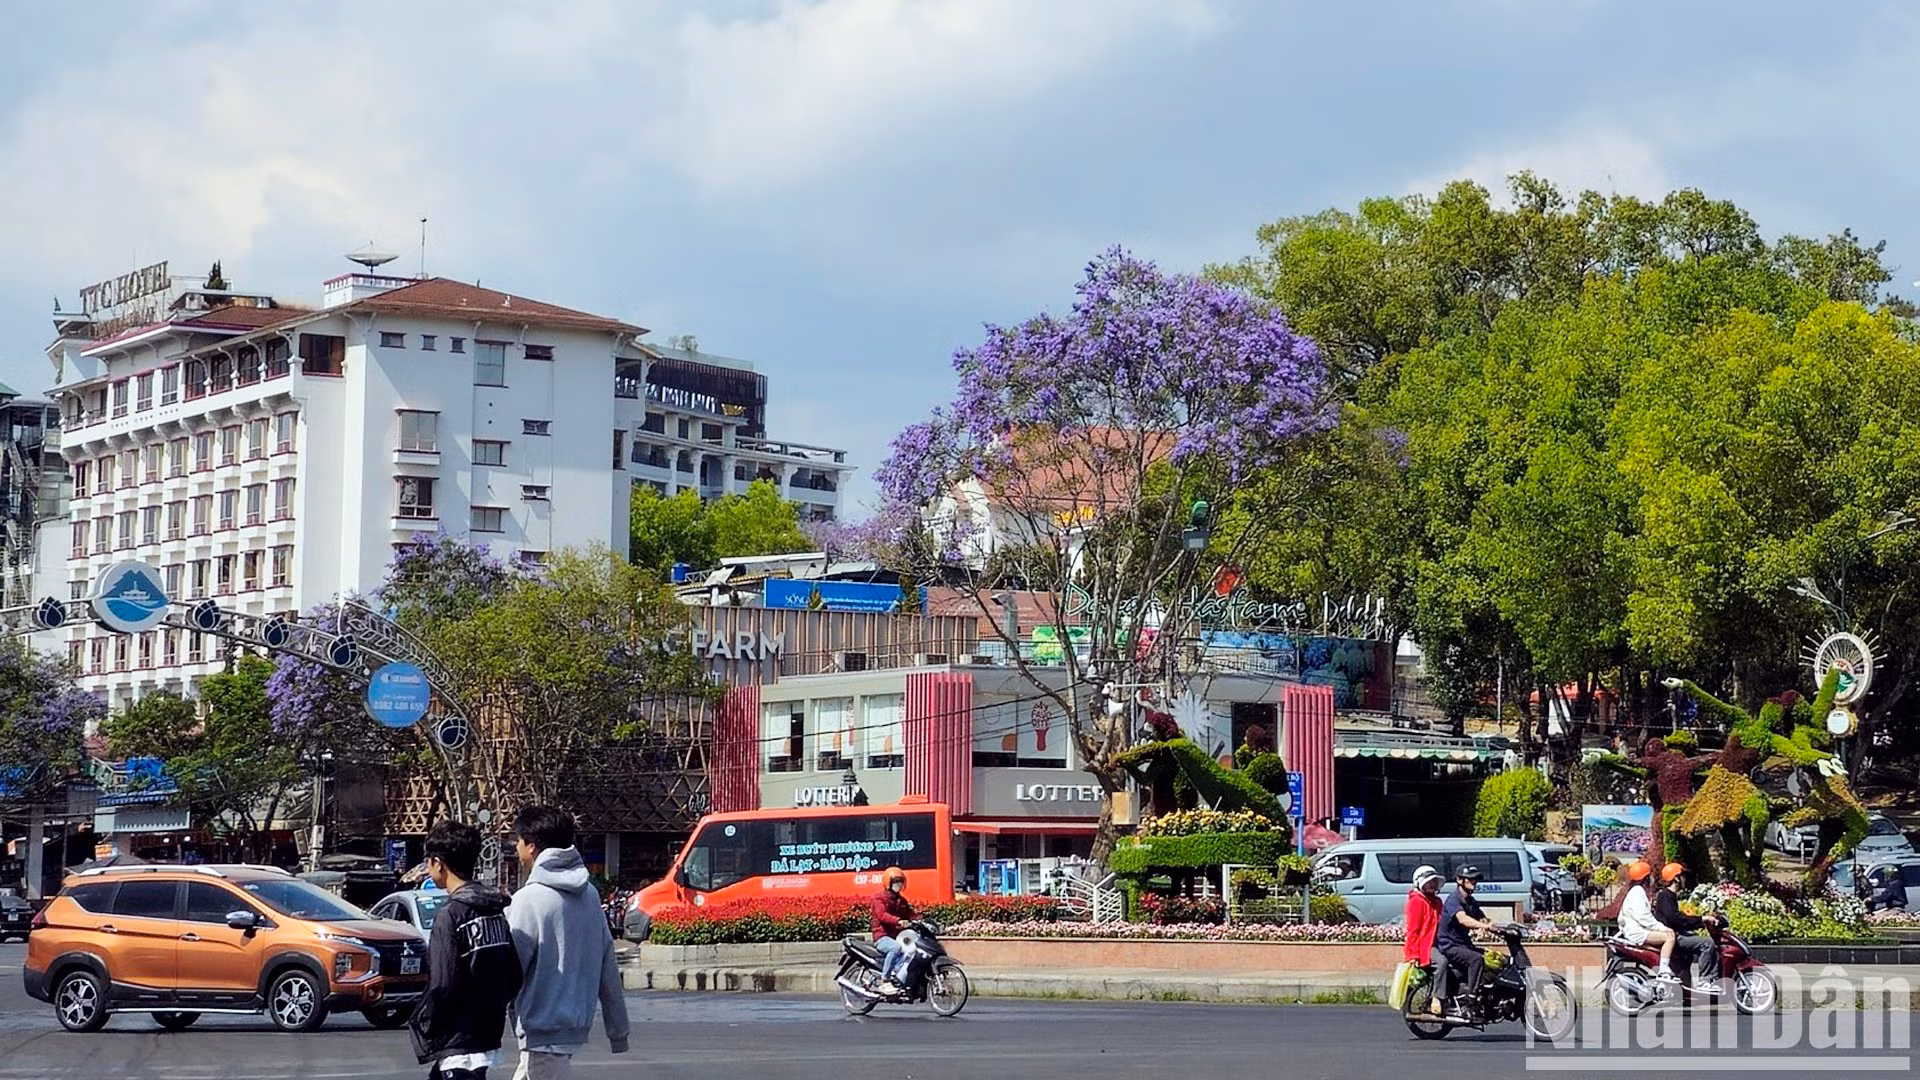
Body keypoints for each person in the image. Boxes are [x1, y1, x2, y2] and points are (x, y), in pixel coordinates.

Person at [505, 806, 630, 1080]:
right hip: (570, 1027)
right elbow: (607, 962)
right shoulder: (590, 895)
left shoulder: (529, 899)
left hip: (541, 1030)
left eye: (518, 840)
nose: (516, 847)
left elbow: (510, 970)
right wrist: (618, 1031)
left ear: (532, 845)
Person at [410, 820, 523, 1080]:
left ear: (438, 863)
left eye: (428, 861)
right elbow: (514, 975)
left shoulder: (450, 915)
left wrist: (424, 1018)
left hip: (456, 1039)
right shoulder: (495, 910)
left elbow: (442, 982)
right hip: (486, 1033)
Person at [1650, 863, 1721, 994]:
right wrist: (1701, 919)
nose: (1685, 879)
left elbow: (1678, 918)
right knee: (1707, 943)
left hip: (1676, 934)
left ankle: (1687, 987)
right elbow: (1675, 919)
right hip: (1672, 936)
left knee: (1696, 939)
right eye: (1683, 876)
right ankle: (1706, 981)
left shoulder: (1669, 896)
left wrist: (1698, 921)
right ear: (1676, 878)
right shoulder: (1665, 896)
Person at [1435, 865, 1495, 1015]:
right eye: (1470, 879)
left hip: (1463, 944)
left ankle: (1484, 995)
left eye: (1475, 879)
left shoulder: (1470, 901)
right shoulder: (1453, 899)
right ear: (1459, 880)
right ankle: (1471, 999)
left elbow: (1482, 917)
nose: (1474, 882)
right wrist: (1483, 926)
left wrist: (1494, 926)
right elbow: (1463, 919)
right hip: (1449, 945)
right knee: (1476, 959)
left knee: (1494, 959)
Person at [1616, 860, 1680, 982]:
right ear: (1645, 878)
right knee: (1669, 937)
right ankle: (1663, 970)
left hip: (1635, 930)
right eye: (1649, 875)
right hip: (1638, 932)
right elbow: (1644, 917)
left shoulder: (1635, 892)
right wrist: (1662, 928)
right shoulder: (1637, 892)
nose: (1652, 878)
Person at [1401, 864, 1445, 1015]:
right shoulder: (1417, 902)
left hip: (1440, 943)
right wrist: (1412, 955)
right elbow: (1413, 931)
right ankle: (1436, 998)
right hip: (1425, 947)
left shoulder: (1437, 902)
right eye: (1429, 882)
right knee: (1442, 962)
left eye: (1434, 882)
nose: (1432, 885)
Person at [871, 866, 917, 995]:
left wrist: (923, 920)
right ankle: (884, 981)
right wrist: (898, 921)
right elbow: (882, 915)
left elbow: (910, 913)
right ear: (888, 883)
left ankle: (899, 977)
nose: (899, 884)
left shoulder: (901, 900)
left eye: (900, 881)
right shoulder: (879, 898)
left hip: (897, 936)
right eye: (896, 881)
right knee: (895, 948)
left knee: (913, 948)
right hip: (882, 936)